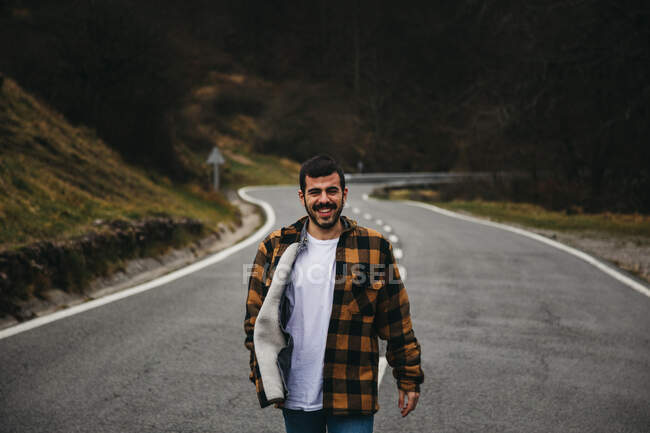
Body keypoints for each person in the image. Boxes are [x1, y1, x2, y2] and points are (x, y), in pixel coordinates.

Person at [244, 154, 423, 433]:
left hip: (353, 393)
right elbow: (255, 320)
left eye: (332, 191)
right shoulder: (275, 247)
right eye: (315, 192)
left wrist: (408, 378)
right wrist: (264, 374)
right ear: (302, 196)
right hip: (296, 394)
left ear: (344, 194)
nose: (324, 199)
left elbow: (397, 321)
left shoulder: (374, 248)